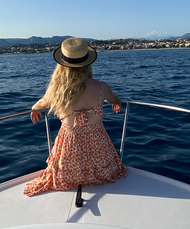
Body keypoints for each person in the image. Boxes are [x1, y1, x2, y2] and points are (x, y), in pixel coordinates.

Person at [24, 37, 127, 197]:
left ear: (62, 66)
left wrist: (35, 108)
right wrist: (117, 102)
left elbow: (42, 103)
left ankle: (70, 178)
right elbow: (113, 98)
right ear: (87, 63)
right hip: (98, 151)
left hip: (68, 152)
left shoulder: (57, 91)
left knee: (63, 175)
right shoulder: (101, 87)